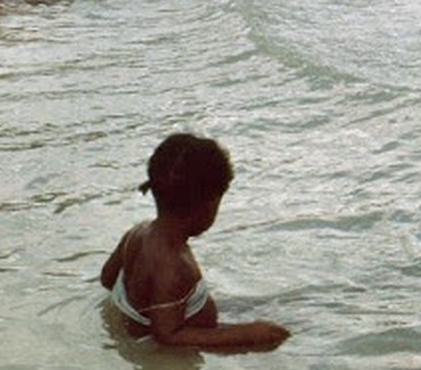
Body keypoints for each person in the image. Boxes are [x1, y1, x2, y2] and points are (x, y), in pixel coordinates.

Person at [100, 133, 291, 350]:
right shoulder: (174, 266)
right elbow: (168, 335)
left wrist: (141, 303)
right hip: (171, 351)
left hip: (165, 318)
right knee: (278, 333)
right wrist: (245, 334)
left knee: (276, 307)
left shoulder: (137, 233)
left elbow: (107, 279)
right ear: (208, 205)